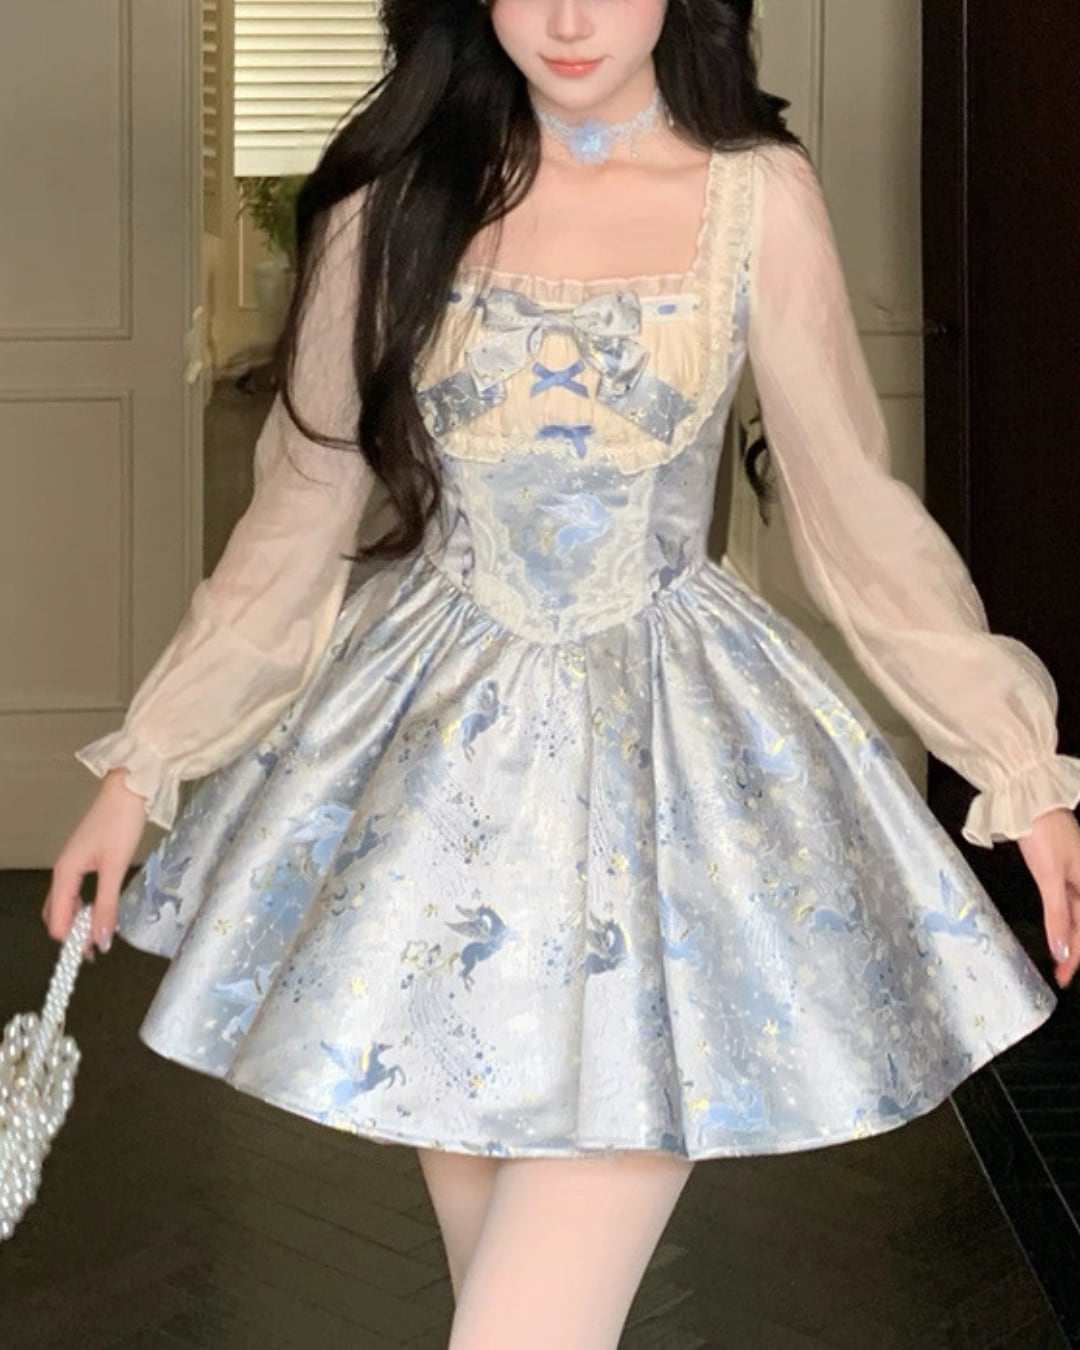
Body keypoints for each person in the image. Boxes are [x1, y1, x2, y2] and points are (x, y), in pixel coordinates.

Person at [41, 1, 1080, 1345]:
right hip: (439, 802)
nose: (572, 17)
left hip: (671, 793)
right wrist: (145, 763)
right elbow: (298, 517)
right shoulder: (392, 199)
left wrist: (1012, 756)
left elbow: (852, 512)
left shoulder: (754, 195)